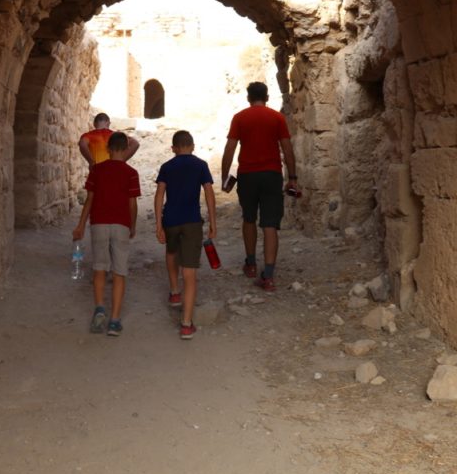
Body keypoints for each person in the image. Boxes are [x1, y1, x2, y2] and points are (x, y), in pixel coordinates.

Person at [220, 82, 299, 291]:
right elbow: (287, 149)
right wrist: (292, 177)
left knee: (248, 218)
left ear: (248, 97)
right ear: (267, 97)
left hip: (247, 175)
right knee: (270, 224)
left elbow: (230, 148)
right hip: (271, 175)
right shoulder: (277, 118)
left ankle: (251, 264)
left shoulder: (239, 118)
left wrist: (224, 175)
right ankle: (269, 275)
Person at [72, 132, 141, 336]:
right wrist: (133, 225)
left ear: (109, 149)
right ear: (126, 149)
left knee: (99, 269)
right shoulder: (131, 172)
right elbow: (132, 203)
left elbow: (90, 199)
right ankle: (114, 320)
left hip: (99, 224)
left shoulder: (97, 170)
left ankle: (100, 307)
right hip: (121, 225)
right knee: (119, 271)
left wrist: (81, 225)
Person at [154, 130, 217, 340]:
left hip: (170, 220)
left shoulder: (167, 167)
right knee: (189, 274)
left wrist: (158, 224)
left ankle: (174, 292)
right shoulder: (200, 165)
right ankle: (186, 324)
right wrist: (213, 222)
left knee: (171, 252)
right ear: (192, 146)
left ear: (174, 148)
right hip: (192, 221)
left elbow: (159, 194)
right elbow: (209, 193)